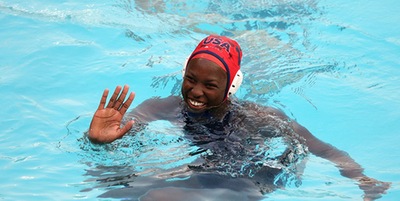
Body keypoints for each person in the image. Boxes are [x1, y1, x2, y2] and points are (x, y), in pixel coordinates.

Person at [88, 35, 390, 200]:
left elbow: (321, 147)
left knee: (160, 198)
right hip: (200, 174)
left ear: (230, 88)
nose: (196, 91)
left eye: (210, 85)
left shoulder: (258, 118)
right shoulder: (165, 105)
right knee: (108, 185)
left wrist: (361, 178)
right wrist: (100, 141)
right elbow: (134, 124)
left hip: (246, 182)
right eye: (191, 79)